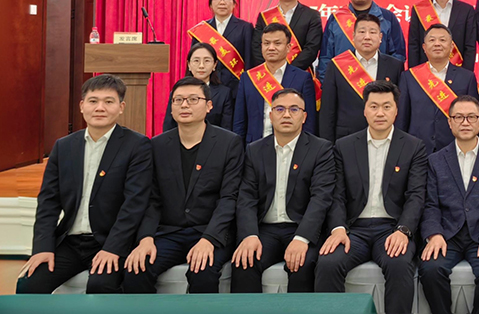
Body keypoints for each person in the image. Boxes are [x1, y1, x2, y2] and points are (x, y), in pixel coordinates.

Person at [17, 75, 152, 294]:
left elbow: (134, 204)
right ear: (82, 106)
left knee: (101, 285)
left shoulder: (137, 145)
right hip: (70, 241)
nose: (100, 108)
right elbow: (48, 202)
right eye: (93, 101)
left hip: (110, 240)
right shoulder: (63, 146)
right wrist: (42, 248)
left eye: (109, 101)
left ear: (121, 107)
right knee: (29, 284)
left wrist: (113, 248)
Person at [315, 81, 428, 314]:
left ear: (396, 111)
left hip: (392, 229)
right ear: (365, 110)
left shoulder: (414, 147)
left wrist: (404, 230)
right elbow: (337, 195)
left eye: (387, 106)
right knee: (328, 263)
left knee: (399, 264)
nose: (380, 113)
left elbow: (416, 195)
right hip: (353, 230)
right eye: (374, 106)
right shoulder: (344, 146)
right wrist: (338, 229)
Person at [123, 77, 244, 293]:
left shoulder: (229, 143)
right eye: (178, 100)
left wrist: (209, 239)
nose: (184, 105)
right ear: (171, 108)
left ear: (209, 106)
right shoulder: (157, 145)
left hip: (210, 231)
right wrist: (146, 238)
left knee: (203, 271)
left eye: (193, 99)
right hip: (169, 233)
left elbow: (229, 198)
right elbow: (152, 199)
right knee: (136, 269)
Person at [231, 88, 335, 293]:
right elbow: (246, 198)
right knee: (244, 263)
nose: (286, 115)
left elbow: (320, 198)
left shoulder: (320, 149)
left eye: (294, 109)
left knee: (302, 264)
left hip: (300, 227)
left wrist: (302, 238)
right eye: (280, 109)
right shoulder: (254, 150)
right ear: (271, 116)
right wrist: (249, 235)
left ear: (304, 117)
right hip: (265, 230)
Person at [419, 96, 479, 314]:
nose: (465, 122)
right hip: (447, 234)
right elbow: (430, 204)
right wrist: (434, 234)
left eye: (471, 117)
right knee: (430, 269)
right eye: (458, 117)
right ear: (450, 122)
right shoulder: (435, 160)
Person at [318, 14, 403, 143]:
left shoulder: (395, 66)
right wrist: (327, 146)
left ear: (380, 37)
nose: (367, 37)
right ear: (353, 36)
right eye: (362, 32)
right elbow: (327, 110)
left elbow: (399, 107)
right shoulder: (336, 66)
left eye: (372, 32)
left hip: (384, 138)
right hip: (346, 140)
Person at [398, 24, 478, 153]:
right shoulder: (409, 77)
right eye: (432, 40)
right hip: (416, 148)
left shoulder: (467, 77)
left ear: (451, 47)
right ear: (424, 47)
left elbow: (473, 117)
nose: (437, 44)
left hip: (454, 149)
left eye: (442, 40)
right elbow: (402, 117)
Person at [317, 0, 405, 81]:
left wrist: (388, 83)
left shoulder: (387, 18)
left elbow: (398, 55)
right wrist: (327, 83)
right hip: (343, 83)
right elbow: (325, 57)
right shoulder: (336, 19)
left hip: (379, 85)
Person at [234, 23, 317, 144]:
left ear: (288, 47)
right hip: (254, 145)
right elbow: (239, 120)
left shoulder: (303, 78)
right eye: (266, 43)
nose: (271, 48)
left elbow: (309, 121)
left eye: (277, 43)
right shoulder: (248, 77)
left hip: (292, 146)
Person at [408, 0, 477, 72]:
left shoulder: (466, 10)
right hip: (426, 72)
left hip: (457, 72)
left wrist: (466, 75)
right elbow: (414, 45)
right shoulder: (419, 9)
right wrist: (414, 74)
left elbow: (470, 47)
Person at [188, 0, 254, 98]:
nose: (222, 2)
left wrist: (247, 87)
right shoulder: (201, 29)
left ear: (234, 4)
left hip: (235, 87)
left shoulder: (245, 27)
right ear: (210, 4)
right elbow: (193, 59)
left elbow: (249, 59)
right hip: (207, 87)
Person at [251, 0, 322, 71]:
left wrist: (289, 72)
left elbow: (312, 48)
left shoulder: (312, 15)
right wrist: (271, 69)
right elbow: (257, 46)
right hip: (269, 74)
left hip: (300, 73)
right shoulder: (264, 16)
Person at [162, 43, 234, 132]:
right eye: (196, 61)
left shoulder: (224, 93)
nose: (201, 66)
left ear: (214, 65)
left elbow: (226, 129)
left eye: (207, 61)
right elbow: (169, 126)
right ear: (189, 64)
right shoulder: (178, 92)